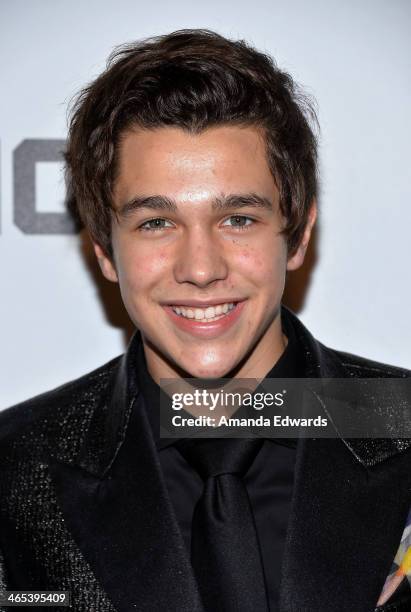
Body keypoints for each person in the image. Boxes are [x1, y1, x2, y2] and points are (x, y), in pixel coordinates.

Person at [0, 29, 410, 612]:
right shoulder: (14, 468)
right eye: (155, 223)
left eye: (238, 218)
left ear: (297, 236)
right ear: (102, 251)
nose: (200, 269)